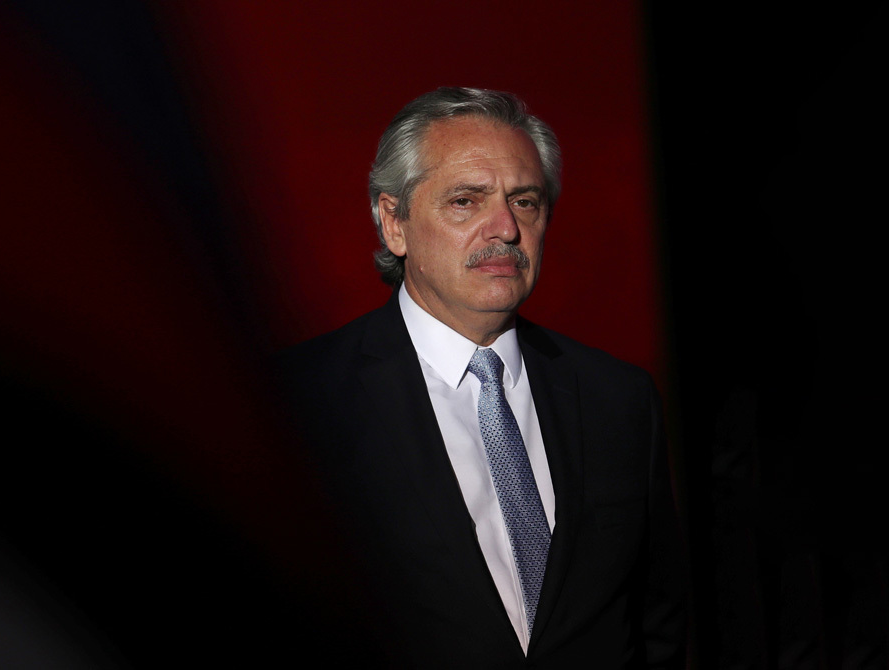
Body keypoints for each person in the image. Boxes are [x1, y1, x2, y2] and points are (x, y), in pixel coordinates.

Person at [277, 87, 686, 667]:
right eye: (466, 201)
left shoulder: (619, 399)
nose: (505, 228)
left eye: (524, 201)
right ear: (394, 223)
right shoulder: (299, 402)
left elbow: (656, 623)